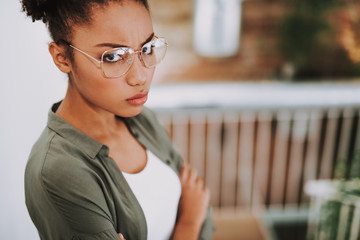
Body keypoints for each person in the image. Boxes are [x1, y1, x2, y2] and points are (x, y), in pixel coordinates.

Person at [21, 0, 214, 239]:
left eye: (146, 49)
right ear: (62, 57)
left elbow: (203, 209)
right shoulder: (59, 172)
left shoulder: (142, 120)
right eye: (113, 56)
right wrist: (188, 223)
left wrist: (196, 219)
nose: (140, 77)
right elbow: (196, 210)